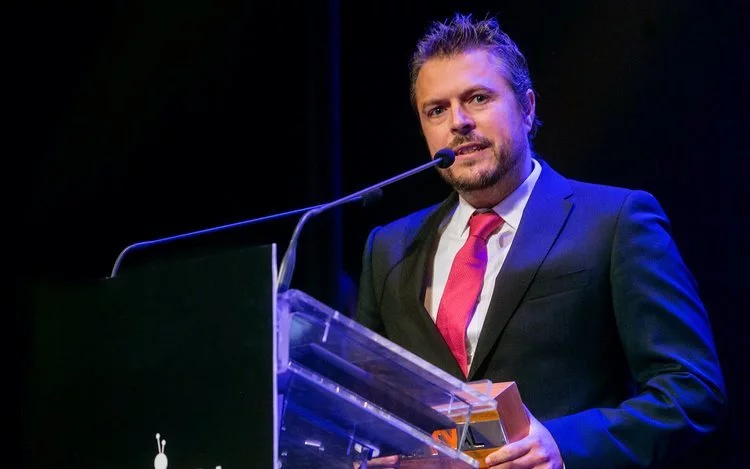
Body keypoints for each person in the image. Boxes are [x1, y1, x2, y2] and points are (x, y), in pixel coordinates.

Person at [354, 12, 727, 469]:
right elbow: (360, 401)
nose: (458, 122)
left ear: (527, 108)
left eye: (478, 98)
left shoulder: (614, 222)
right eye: (437, 110)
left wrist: (563, 445)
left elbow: (691, 388)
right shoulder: (389, 249)